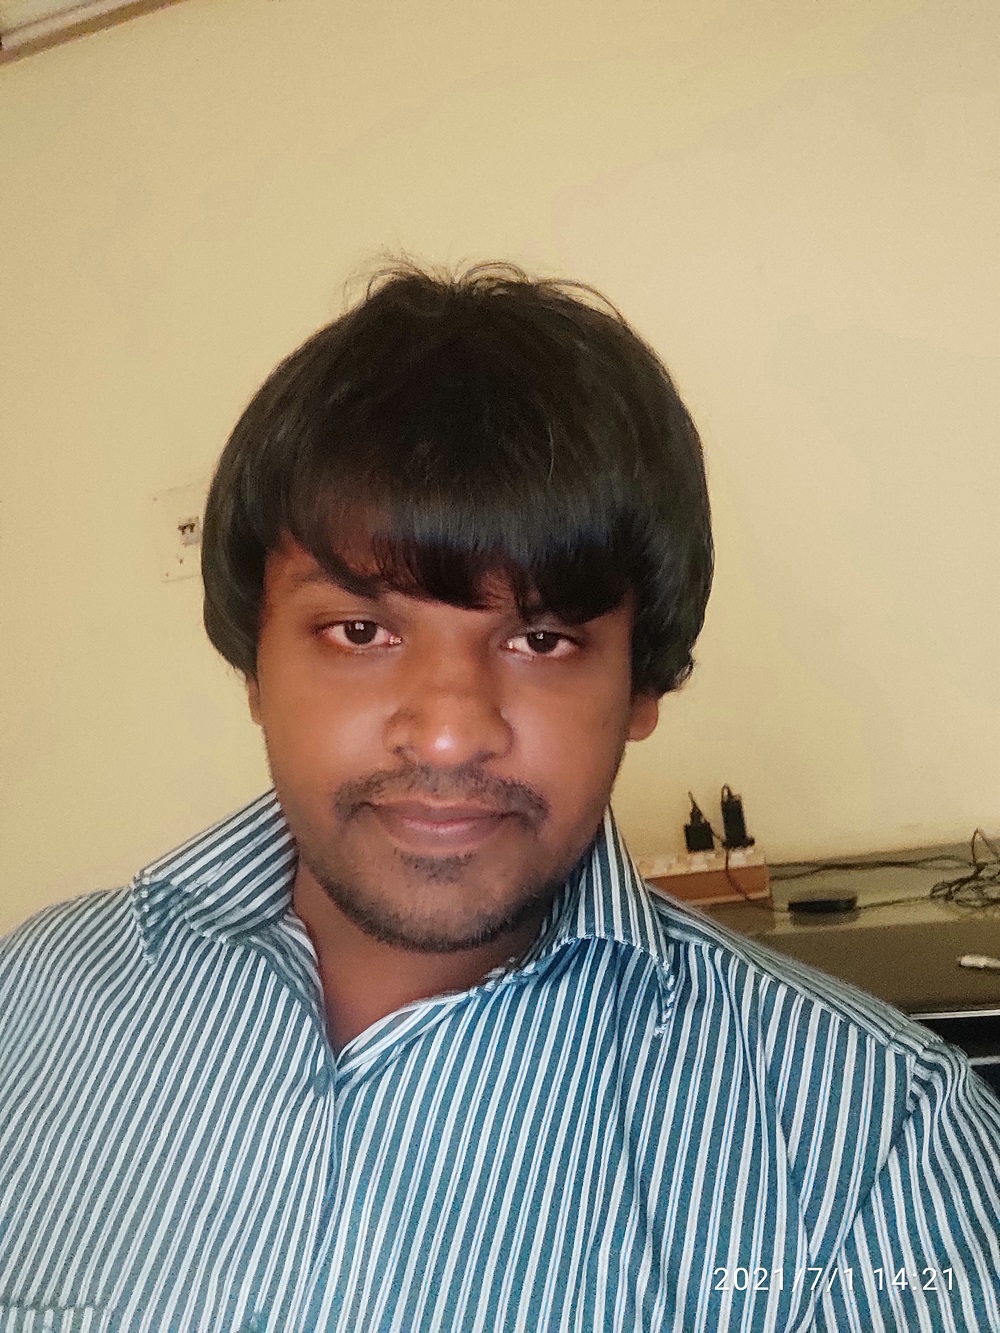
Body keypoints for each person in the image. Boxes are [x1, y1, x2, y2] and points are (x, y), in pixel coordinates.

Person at [0, 261, 997, 1333]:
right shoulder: (33, 1003)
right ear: (253, 664)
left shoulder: (882, 1152)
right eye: (359, 630)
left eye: (541, 639)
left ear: (642, 687)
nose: (447, 730)